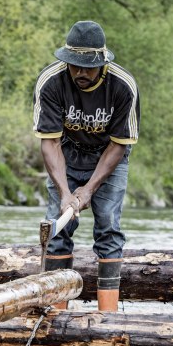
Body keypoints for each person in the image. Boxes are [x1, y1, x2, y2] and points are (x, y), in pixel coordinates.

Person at [32, 20, 140, 311]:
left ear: (101, 62)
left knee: (107, 227)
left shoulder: (123, 86)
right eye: (74, 65)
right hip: (66, 153)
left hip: (109, 156)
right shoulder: (51, 82)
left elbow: (119, 144)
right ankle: (55, 315)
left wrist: (89, 189)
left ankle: (108, 318)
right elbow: (50, 143)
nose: (80, 72)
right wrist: (66, 193)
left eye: (87, 66)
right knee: (58, 229)